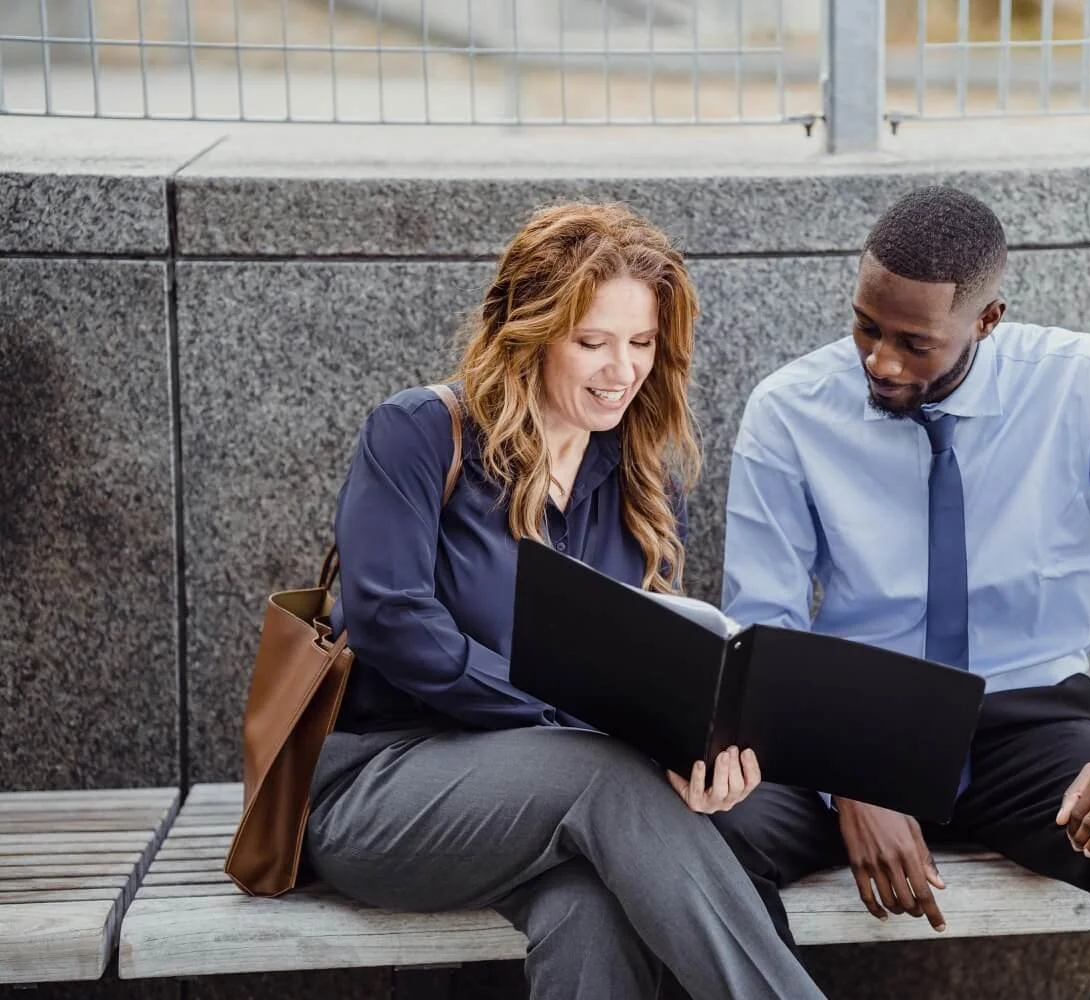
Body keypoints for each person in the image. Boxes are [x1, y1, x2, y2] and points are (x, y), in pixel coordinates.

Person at [711, 185, 1090, 1000]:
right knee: (707, 845)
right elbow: (764, 626)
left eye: (915, 342)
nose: (881, 361)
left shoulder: (1080, 383)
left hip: (1028, 727)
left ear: (988, 319)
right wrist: (846, 777)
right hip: (854, 723)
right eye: (866, 325)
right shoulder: (789, 410)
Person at [303, 202, 825, 1000]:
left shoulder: (640, 481)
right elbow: (390, 622)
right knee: (604, 774)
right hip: (380, 787)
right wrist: (572, 720)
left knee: (595, 912)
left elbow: (651, 669)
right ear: (531, 330)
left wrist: (695, 748)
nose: (623, 370)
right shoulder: (416, 434)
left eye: (642, 343)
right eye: (593, 343)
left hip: (552, 809)